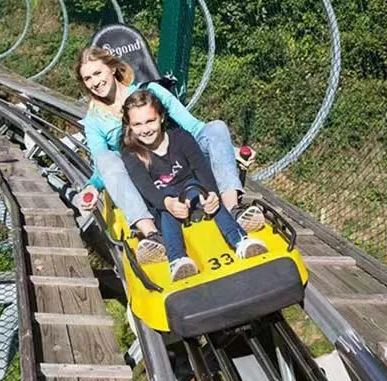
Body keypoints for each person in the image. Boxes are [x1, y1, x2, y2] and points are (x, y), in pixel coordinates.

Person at [74, 46, 264, 264]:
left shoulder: (150, 92)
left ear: (112, 68)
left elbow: (194, 127)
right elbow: (102, 164)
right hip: (142, 175)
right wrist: (93, 186)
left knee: (216, 127)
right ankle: (151, 234)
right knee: (107, 158)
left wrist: (230, 150)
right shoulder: (95, 120)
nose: (95, 82)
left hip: (177, 163)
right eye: (88, 78)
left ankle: (232, 208)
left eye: (97, 73)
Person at [121, 90, 268, 280]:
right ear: (130, 126)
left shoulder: (181, 138)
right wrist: (168, 203)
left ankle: (240, 241)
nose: (145, 129)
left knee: (202, 193)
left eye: (150, 121)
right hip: (163, 204)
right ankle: (177, 259)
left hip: (191, 192)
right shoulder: (132, 154)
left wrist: (212, 194)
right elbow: (147, 189)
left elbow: (201, 168)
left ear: (161, 117)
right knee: (168, 211)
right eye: (137, 124)